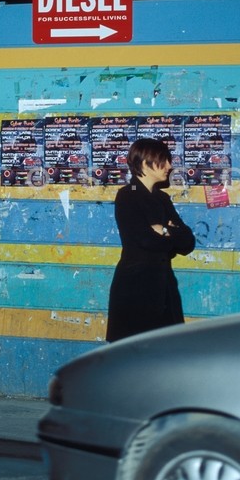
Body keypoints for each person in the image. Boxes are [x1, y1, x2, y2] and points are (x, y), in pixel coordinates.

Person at [105, 138, 195, 343]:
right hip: (136, 287)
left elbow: (187, 242)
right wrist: (171, 233)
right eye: (164, 161)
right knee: (133, 352)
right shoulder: (127, 195)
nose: (169, 166)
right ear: (146, 164)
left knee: (166, 351)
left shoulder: (162, 198)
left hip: (164, 288)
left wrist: (163, 230)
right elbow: (145, 240)